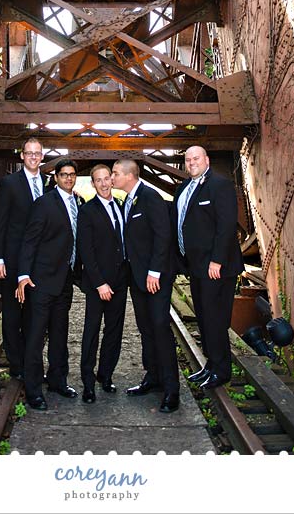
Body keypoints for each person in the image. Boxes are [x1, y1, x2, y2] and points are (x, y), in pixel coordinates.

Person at [110, 159, 180, 413]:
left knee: (160, 328)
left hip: (155, 278)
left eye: (116, 173)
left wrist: (155, 272)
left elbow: (163, 236)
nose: (113, 177)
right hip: (138, 278)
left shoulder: (150, 198)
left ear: (130, 175)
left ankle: (172, 390)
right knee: (146, 328)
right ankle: (153, 377)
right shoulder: (127, 200)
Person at [172, 145, 244, 389]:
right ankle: (211, 365)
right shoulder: (184, 188)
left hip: (216, 268)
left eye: (196, 158)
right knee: (203, 318)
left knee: (215, 319)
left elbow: (226, 226)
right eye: (188, 159)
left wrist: (218, 260)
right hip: (197, 267)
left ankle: (221, 371)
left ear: (207, 160)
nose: (192, 163)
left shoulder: (219, 185)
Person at [16, 158, 81, 410]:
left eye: (72, 174)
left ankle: (58, 381)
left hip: (65, 280)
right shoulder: (43, 204)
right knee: (35, 337)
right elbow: (29, 240)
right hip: (41, 282)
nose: (68, 178)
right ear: (55, 178)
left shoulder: (78, 202)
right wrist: (23, 275)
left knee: (59, 334)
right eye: (63, 174)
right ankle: (33, 390)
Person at [0, 138, 50, 379]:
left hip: (39, 261)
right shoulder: (9, 183)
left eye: (37, 153)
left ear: (42, 156)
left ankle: (32, 362)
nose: (34, 157)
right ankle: (16, 366)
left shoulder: (48, 183)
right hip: (14, 260)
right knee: (13, 312)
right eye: (29, 153)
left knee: (34, 315)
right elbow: (0, 223)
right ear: (22, 156)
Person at [77, 164, 129, 403]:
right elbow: (86, 251)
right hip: (98, 284)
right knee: (92, 331)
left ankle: (105, 375)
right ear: (93, 183)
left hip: (119, 282)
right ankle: (88, 383)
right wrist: (99, 283)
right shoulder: (87, 211)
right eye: (98, 180)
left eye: (107, 178)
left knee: (114, 331)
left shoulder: (120, 205)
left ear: (112, 179)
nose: (104, 183)